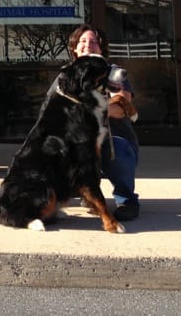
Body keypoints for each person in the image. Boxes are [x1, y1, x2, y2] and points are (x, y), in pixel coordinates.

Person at [66, 23, 141, 221]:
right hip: (79, 140)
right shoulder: (67, 74)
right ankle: (78, 193)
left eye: (93, 42)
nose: (87, 45)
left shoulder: (114, 72)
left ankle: (127, 200)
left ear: (101, 48)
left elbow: (119, 108)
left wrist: (85, 105)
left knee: (118, 147)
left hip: (111, 140)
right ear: (74, 47)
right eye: (82, 41)